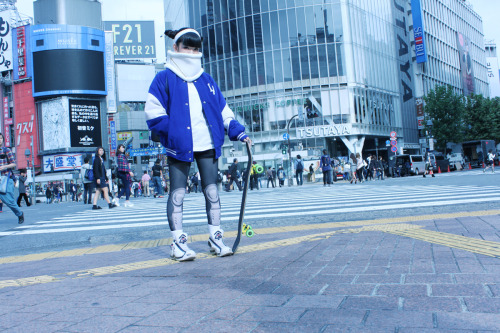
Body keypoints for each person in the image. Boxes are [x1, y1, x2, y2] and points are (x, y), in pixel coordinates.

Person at [145, 27, 251, 261]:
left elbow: (223, 110)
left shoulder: (206, 79)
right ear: (175, 48)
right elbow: (153, 112)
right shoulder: (164, 78)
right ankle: (178, 243)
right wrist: (172, 133)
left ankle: (215, 237)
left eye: (195, 48)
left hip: (208, 143)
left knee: (212, 192)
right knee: (178, 194)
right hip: (179, 145)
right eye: (187, 47)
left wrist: (238, 132)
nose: (191, 53)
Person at [0, 133, 24, 223]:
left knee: (9, 201)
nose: (0, 140)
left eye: (1, 138)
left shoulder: (7, 150)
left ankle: (20, 214)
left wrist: (4, 166)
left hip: (6, 179)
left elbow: (13, 164)